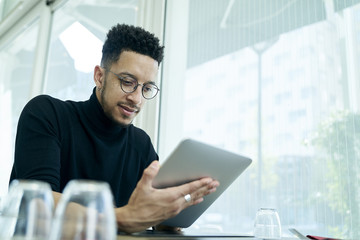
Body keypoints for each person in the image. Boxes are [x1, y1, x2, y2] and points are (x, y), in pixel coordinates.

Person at [9, 23, 219, 233]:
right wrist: (124, 218)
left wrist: (171, 214)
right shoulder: (47, 114)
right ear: (100, 77)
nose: (136, 99)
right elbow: (38, 203)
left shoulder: (141, 144)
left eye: (146, 88)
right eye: (128, 82)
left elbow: (151, 214)